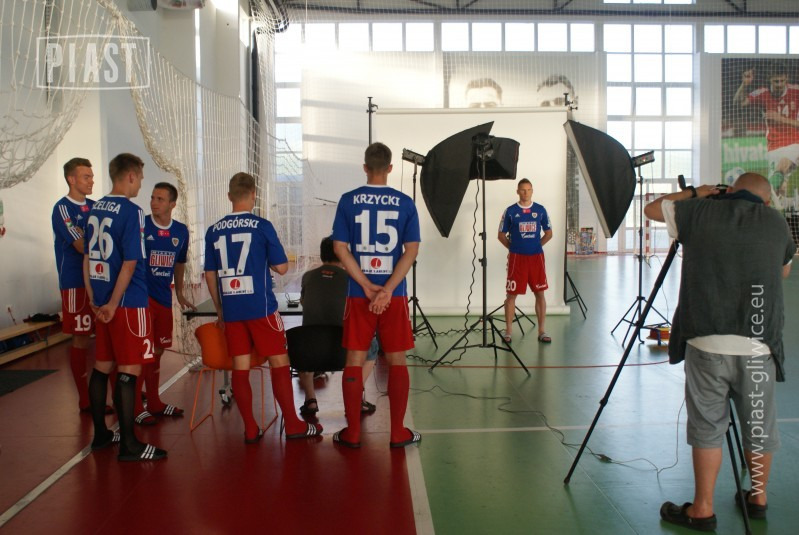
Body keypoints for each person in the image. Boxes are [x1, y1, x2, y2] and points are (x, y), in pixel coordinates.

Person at [644, 173, 795, 531]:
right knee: (758, 424)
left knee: (708, 426)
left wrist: (696, 193)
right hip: (757, 343)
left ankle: (702, 509)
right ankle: (758, 498)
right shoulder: (776, 223)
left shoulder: (698, 212)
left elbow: (651, 209)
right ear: (765, 200)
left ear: (728, 191)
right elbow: (784, 272)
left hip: (706, 340)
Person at [204, 172, 321, 443]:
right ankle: (293, 425)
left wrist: (220, 309)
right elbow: (282, 267)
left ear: (229, 196)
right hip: (261, 308)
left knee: (240, 367)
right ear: (254, 195)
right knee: (279, 362)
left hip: (232, 309)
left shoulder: (213, 230)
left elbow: (210, 274)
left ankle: (250, 429)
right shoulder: (262, 226)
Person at [331, 142, 421, 449]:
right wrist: (387, 289)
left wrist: (368, 286)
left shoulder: (348, 200)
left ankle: (353, 433)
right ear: (390, 168)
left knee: (355, 358)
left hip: (359, 293)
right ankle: (398, 433)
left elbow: (339, 248)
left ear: (365, 167)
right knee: (397, 360)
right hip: (394, 296)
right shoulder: (405, 202)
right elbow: (411, 251)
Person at [83, 153, 167, 461]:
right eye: (140, 178)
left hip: (101, 301)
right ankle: (130, 444)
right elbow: (130, 263)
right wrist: (115, 303)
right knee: (130, 370)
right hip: (128, 303)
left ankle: (101, 435)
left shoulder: (93, 209)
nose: (141, 184)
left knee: (102, 366)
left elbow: (87, 257)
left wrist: (95, 299)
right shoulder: (132, 212)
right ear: (130, 176)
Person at [133, 182, 194, 425]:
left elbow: (179, 263)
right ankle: (135, 406)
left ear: (172, 204)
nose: (154, 202)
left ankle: (154, 401)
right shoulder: (141, 226)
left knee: (158, 351)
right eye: (152, 197)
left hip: (163, 299)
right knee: (142, 352)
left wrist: (179, 292)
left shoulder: (181, 231)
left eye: (160, 199)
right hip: (141, 298)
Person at [298, 236, 378, 418]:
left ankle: (310, 400)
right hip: (344, 351)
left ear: (322, 254)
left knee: (302, 341)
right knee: (373, 345)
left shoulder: (307, 277)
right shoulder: (352, 279)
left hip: (311, 353)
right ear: (343, 255)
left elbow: (303, 302)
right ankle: (356, 397)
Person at [52, 158, 98, 412]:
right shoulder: (62, 208)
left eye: (91, 176)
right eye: (86, 177)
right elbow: (81, 246)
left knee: (106, 337)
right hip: (75, 283)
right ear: (72, 179)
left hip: (99, 282)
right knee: (81, 339)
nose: (92, 181)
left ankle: (116, 392)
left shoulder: (96, 206)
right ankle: (85, 399)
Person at [497, 178, 553, 344]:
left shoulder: (540, 210)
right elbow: (501, 235)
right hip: (517, 259)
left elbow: (549, 233)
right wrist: (513, 249)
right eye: (523, 190)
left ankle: (541, 331)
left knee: (540, 294)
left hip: (536, 258)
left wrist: (536, 245)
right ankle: (508, 331)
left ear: (532, 191)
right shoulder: (510, 211)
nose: (526, 193)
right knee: (511, 295)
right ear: (517, 191)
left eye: (528, 190)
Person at [734, 63, 799, 201]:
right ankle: (785, 207)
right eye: (776, 81)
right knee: (778, 191)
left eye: (782, 81)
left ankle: (761, 195)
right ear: (770, 79)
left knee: (782, 166)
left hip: (794, 142)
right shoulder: (763, 93)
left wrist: (780, 118)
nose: (779, 84)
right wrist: (744, 85)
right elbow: (738, 103)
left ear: (787, 78)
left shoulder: (796, 91)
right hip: (773, 146)